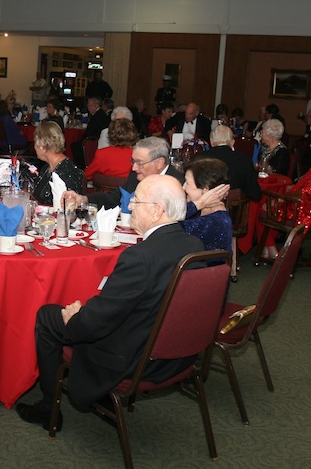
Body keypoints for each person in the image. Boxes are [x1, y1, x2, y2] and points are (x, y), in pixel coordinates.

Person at [16, 174, 205, 430]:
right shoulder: (195, 246)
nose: (129, 207)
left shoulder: (140, 257)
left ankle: (49, 408)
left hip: (134, 358)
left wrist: (77, 317)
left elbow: (96, 323)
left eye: (136, 201)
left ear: (157, 211)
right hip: (177, 354)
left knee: (49, 316)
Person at [259, 129, 311, 260]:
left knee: (262, 205)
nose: (310, 145)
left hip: (303, 213)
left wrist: (280, 200)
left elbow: (307, 197)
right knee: (270, 202)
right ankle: (268, 249)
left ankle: (270, 250)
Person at [64, 137, 184, 211]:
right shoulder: (137, 175)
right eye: (133, 161)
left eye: (140, 163)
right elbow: (115, 197)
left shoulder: (178, 184)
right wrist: (84, 199)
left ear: (159, 163)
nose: (134, 167)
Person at [194, 124, 261, 202]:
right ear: (232, 142)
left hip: (205, 208)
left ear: (211, 141)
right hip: (236, 211)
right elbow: (255, 194)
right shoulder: (244, 159)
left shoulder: (199, 159)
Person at [182, 157, 233, 255]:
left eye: (187, 183)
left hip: (197, 269)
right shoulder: (206, 212)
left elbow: (169, 226)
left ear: (205, 189)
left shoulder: (212, 222)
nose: (183, 187)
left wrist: (198, 204)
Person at [33, 122, 85, 206]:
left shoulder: (67, 171)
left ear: (42, 146)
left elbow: (71, 208)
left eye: (35, 142)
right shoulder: (47, 167)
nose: (34, 147)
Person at [71, 96, 109, 168]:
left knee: (75, 146)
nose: (88, 108)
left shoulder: (98, 116)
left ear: (96, 105)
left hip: (93, 139)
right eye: (88, 106)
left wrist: (83, 139)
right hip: (94, 137)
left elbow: (91, 131)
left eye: (90, 106)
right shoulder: (99, 114)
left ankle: (81, 166)